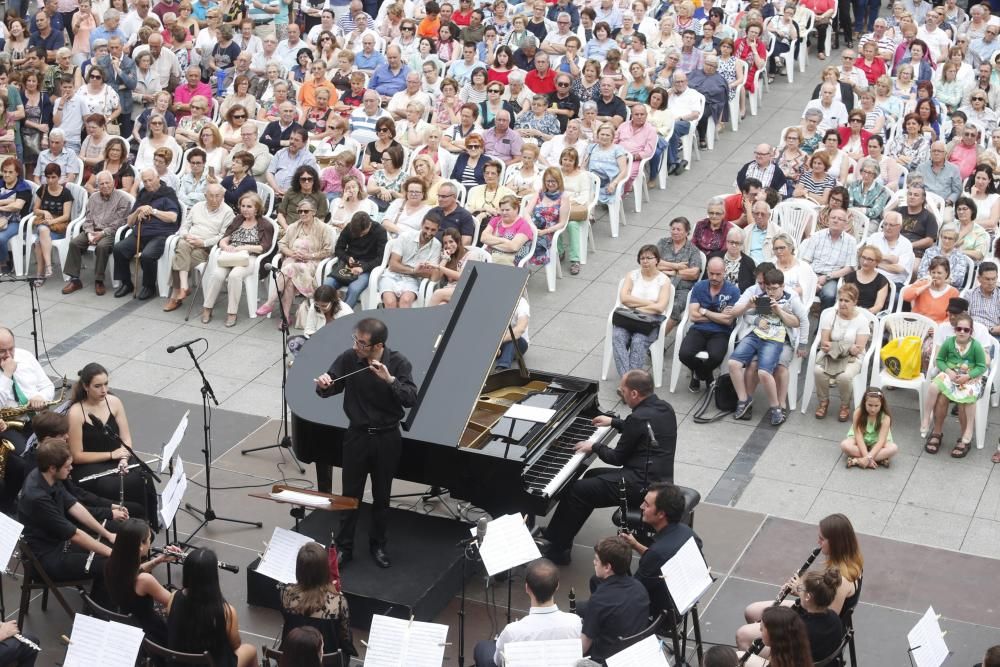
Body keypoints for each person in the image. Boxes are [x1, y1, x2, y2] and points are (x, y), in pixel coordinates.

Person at [540, 369, 676, 565]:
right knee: (591, 476)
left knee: (578, 490)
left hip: (639, 485)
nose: (621, 394)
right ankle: (560, 533)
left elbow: (616, 457)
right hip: (658, 479)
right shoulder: (665, 408)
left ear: (634, 394)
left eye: (622, 391)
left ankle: (558, 548)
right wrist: (614, 422)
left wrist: (593, 446)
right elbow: (638, 429)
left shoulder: (637, 418)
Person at [315, 318, 418, 569]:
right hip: (357, 436)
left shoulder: (398, 362)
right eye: (355, 340)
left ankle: (378, 545)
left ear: (377, 345)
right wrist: (324, 385)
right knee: (349, 495)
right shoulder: (349, 358)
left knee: (382, 496)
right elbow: (330, 387)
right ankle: (344, 547)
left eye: (362, 343)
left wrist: (390, 380)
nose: (356, 346)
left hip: (387, 437)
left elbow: (411, 398)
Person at [18, 437, 116, 586]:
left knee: (117, 547)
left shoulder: (49, 476)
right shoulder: (37, 498)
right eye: (67, 466)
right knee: (111, 565)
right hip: (47, 558)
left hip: (60, 542)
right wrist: (112, 554)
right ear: (52, 468)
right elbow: (74, 534)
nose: (71, 469)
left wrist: (107, 535)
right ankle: (100, 605)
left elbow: (74, 506)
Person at [67, 362, 155, 521]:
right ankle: (126, 521)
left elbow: (126, 438)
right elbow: (76, 455)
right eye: (98, 386)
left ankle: (146, 521)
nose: (104, 390)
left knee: (144, 476)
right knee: (113, 486)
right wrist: (111, 455)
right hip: (90, 465)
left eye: (106, 384)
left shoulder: (114, 401)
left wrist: (123, 458)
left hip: (118, 456)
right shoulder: (75, 413)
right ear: (86, 387)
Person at [728, 268, 805, 426]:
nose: (770, 291)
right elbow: (747, 314)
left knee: (765, 371)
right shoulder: (762, 296)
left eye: (773, 288)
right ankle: (744, 400)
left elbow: (801, 321)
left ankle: (776, 406)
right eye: (767, 288)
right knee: (733, 363)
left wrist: (779, 311)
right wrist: (753, 312)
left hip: (776, 339)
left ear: (782, 286)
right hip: (756, 335)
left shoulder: (790, 299)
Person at [473, 558, 581, 667]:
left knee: (482, 648)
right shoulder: (575, 622)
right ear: (557, 586)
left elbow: (498, 661)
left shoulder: (512, 631)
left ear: (527, 588)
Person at [167, 548, 258, 667]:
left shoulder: (173, 597)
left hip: (179, 663)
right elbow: (235, 645)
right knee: (250, 650)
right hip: (211, 663)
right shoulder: (226, 611)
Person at [623, 482, 702, 617]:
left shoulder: (657, 553)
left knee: (597, 581)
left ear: (661, 514)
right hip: (685, 598)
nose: (641, 507)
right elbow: (662, 561)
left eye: (647, 505)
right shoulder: (688, 533)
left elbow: (633, 591)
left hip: (660, 613)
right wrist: (636, 545)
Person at [200, 193, 275, 325]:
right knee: (217, 274)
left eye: (249, 206)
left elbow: (264, 247)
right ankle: (207, 307)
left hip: (249, 257)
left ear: (257, 208)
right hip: (231, 255)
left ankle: (232, 312)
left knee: (235, 275)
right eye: (243, 206)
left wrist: (244, 247)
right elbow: (225, 238)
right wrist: (224, 245)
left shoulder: (265, 225)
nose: (245, 209)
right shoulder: (238, 220)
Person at [921, 312, 987, 458]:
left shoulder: (975, 346)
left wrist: (968, 376)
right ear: (954, 330)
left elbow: (982, 366)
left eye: (966, 330)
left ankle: (967, 432)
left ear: (971, 331)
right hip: (950, 375)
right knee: (936, 390)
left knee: (967, 398)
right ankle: (930, 421)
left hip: (969, 378)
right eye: (959, 329)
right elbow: (940, 360)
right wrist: (948, 371)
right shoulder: (949, 342)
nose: (962, 332)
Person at [102, 518, 176, 643]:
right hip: (150, 630)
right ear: (140, 547)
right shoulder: (145, 581)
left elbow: (134, 572)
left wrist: (157, 560)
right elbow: (175, 603)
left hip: (129, 616)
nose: (150, 543)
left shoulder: (111, 564)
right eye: (148, 539)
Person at [112, 169, 182, 300]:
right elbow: (129, 222)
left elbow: (173, 217)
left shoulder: (168, 194)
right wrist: (139, 209)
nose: (148, 184)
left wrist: (153, 211)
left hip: (160, 234)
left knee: (147, 256)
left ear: (157, 178)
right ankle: (127, 283)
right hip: (140, 233)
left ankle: (149, 286)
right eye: (145, 181)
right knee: (119, 249)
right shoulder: (143, 194)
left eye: (151, 180)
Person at [578, 536, 650, 664]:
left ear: (607, 567)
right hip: (634, 648)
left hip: (608, 659)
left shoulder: (598, 600)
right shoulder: (640, 587)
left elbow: (583, 647)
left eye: (597, 560)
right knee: (581, 606)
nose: (594, 562)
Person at [163, 183, 235, 312]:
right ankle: (183, 287)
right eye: (211, 196)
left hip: (206, 249)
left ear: (223, 196)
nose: (214, 199)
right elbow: (184, 226)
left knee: (178, 257)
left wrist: (203, 242)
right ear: (205, 196)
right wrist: (186, 235)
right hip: (189, 242)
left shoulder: (228, 212)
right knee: (183, 245)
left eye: (218, 196)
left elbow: (223, 236)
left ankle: (177, 293)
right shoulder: (197, 207)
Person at [279, 542, 355, 656]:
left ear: (299, 569)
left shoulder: (286, 593)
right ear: (325, 569)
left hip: (292, 657)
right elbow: (346, 639)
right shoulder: (338, 602)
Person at [679, 256, 741, 392]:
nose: (714, 277)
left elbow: (728, 320)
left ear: (724, 272)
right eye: (711, 273)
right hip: (698, 329)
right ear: (707, 271)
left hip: (721, 332)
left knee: (716, 356)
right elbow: (694, 316)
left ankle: (697, 374)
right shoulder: (699, 286)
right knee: (684, 354)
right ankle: (707, 376)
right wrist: (718, 316)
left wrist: (705, 311)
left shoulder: (733, 291)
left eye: (718, 274)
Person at [611, 244, 672, 378]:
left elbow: (660, 307)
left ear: (657, 260)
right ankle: (629, 381)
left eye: (649, 258)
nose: (645, 261)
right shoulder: (632, 275)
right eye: (642, 258)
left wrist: (635, 306)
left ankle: (628, 383)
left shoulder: (664, 280)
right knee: (617, 336)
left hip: (650, 321)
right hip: (628, 318)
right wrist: (649, 303)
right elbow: (624, 298)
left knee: (638, 341)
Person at [814, 285, 871, 421]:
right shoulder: (830, 316)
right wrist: (846, 347)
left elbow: (858, 349)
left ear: (855, 302)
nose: (842, 304)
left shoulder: (861, 320)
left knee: (844, 377)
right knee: (818, 371)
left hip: (852, 359)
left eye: (847, 301)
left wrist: (837, 347)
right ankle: (823, 402)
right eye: (840, 300)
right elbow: (824, 344)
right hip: (830, 356)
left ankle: (845, 405)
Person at [323, 212, 388, 308]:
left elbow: (381, 258)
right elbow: (339, 249)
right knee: (327, 285)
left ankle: (343, 315)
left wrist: (363, 268)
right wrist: (347, 258)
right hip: (348, 264)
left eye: (363, 233)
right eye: (357, 234)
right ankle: (328, 313)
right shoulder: (350, 227)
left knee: (354, 289)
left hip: (367, 266)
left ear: (369, 224)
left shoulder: (380, 231)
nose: (360, 236)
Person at [378, 213, 442, 308]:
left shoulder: (437, 245)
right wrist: (414, 270)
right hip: (391, 276)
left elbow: (431, 274)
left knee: (406, 300)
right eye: (426, 228)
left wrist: (409, 270)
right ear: (421, 225)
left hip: (413, 280)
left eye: (433, 230)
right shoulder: (405, 236)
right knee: (390, 302)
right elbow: (393, 265)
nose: (429, 233)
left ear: (438, 230)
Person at [800, 209, 858, 309]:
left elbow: (850, 268)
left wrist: (827, 277)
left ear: (845, 224)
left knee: (829, 295)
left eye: (840, 219)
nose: (835, 221)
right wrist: (813, 279)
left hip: (832, 278)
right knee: (796, 290)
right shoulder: (816, 236)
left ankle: (823, 323)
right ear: (828, 220)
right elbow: (805, 261)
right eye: (833, 218)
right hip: (812, 274)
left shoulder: (851, 241)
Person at [657, 217, 703, 336]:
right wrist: (676, 266)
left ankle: (658, 339)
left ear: (687, 232)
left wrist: (673, 272)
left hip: (682, 289)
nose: (675, 232)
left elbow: (694, 273)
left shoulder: (693, 250)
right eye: (673, 229)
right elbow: (653, 263)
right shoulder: (663, 243)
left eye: (679, 229)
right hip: (659, 284)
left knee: (676, 307)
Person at [840, 386, 898, 469]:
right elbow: (858, 436)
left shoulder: (885, 417)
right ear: (864, 403)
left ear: (881, 405)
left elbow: (881, 441)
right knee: (845, 445)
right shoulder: (858, 412)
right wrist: (868, 458)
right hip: (860, 439)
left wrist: (866, 458)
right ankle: (878, 459)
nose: (873, 409)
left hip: (877, 441)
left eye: (876, 405)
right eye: (870, 405)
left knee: (893, 448)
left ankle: (857, 460)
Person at [902, 255, 959, 323]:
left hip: (937, 328)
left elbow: (951, 317)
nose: (935, 276)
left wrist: (938, 327)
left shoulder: (953, 292)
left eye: (939, 273)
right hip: (916, 324)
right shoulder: (922, 283)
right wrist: (925, 286)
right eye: (933, 272)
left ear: (946, 274)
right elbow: (906, 296)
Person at [496, 291, 531, 372]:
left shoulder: (521, 303)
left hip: (518, 344)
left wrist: (496, 345)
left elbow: (520, 329)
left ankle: (502, 368)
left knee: (513, 336)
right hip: (495, 343)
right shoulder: (494, 302)